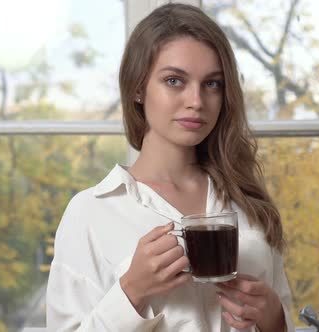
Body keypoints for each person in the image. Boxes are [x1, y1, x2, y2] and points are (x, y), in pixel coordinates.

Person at [46, 3, 296, 332]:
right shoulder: (90, 213)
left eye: (212, 84)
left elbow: (283, 318)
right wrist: (132, 291)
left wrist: (275, 320)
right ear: (138, 87)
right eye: (174, 80)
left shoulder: (247, 201)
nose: (196, 100)